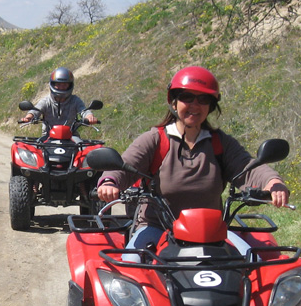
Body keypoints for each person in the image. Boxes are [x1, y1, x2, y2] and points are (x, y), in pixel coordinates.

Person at [96, 65, 290, 254]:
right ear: (174, 102)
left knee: (252, 261)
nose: (195, 105)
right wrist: (109, 182)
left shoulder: (219, 143)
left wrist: (272, 182)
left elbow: (247, 167)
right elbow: (126, 164)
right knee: (131, 263)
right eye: (187, 97)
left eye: (203, 99)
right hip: (158, 228)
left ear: (211, 106)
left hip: (211, 232)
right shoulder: (156, 140)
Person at [20, 67, 97, 133]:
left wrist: (89, 117)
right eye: (58, 84)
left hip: (71, 136)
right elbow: (36, 110)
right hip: (48, 136)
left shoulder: (75, 100)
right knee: (36, 146)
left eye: (65, 84)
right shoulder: (46, 101)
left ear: (70, 85)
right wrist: (29, 117)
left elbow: (84, 110)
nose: (62, 87)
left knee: (82, 146)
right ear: (53, 84)